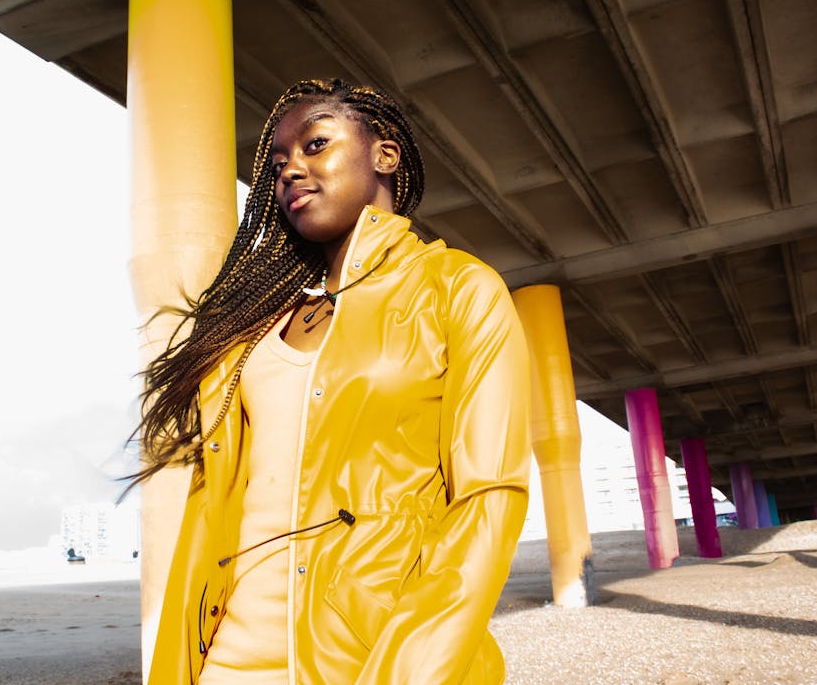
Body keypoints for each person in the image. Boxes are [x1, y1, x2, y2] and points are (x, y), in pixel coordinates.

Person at [134, 79, 531, 684]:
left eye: (316, 144)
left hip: (372, 658)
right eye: (278, 163)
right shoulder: (260, 327)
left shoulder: (456, 289)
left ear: (385, 156)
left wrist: (410, 672)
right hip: (228, 659)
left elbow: (486, 498)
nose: (291, 169)